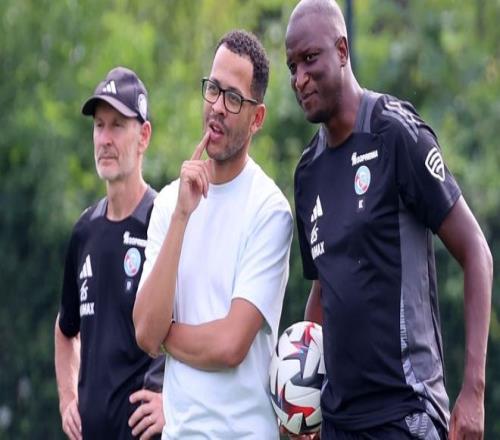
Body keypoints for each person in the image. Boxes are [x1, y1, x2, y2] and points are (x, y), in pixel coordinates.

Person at [284, 1, 493, 439]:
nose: (299, 78)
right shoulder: (307, 173)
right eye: (292, 66)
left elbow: (476, 251)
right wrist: (301, 397)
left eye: (310, 59)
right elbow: (324, 288)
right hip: (338, 421)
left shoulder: (395, 133)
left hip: (405, 412)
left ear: (342, 51)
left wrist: (473, 390)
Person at [133, 30, 293, 439]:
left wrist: (165, 336)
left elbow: (230, 345)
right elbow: (144, 332)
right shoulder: (169, 204)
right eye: (214, 89)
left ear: (257, 118)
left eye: (234, 98)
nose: (218, 106)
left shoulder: (269, 210)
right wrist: (182, 216)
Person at [54, 66, 165, 440]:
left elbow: (194, 321)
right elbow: (65, 328)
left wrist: (172, 400)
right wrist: (67, 398)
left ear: (143, 136)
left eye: (117, 125)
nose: (104, 139)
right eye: (99, 126)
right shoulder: (85, 230)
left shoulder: (164, 220)